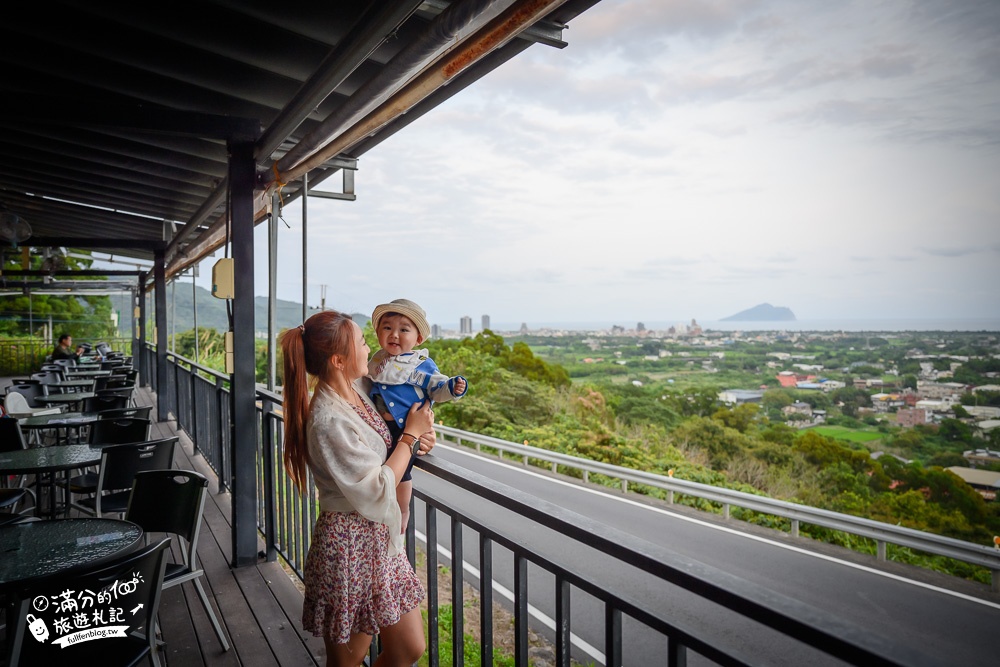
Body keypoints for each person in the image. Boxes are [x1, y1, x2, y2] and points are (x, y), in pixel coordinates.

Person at [280, 310, 433, 666]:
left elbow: (399, 418)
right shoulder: (328, 419)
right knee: (347, 662)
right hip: (350, 547)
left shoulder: (357, 390)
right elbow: (378, 487)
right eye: (363, 343)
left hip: (379, 540)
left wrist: (422, 433)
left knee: (409, 648)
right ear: (338, 360)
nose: (371, 348)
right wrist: (410, 437)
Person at [367, 298, 468, 533]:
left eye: (404, 329)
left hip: (405, 429)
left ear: (418, 339)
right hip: (378, 427)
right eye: (387, 328)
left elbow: (436, 385)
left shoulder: (418, 365)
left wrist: (452, 387)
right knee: (381, 470)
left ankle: (403, 510)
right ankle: (382, 512)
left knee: (402, 474)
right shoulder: (378, 360)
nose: (394, 334)